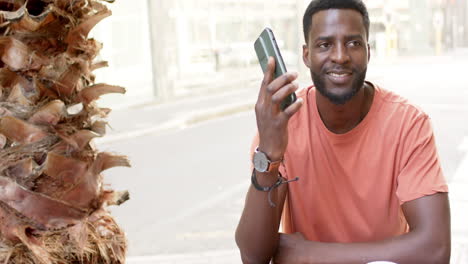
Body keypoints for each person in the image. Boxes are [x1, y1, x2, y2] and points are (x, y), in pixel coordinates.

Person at [235, 0, 451, 263]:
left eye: (353, 43)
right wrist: (268, 154)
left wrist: (312, 254)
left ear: (368, 52)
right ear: (306, 55)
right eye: (325, 44)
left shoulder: (409, 124)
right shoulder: (282, 126)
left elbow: (436, 250)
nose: (340, 56)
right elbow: (253, 255)